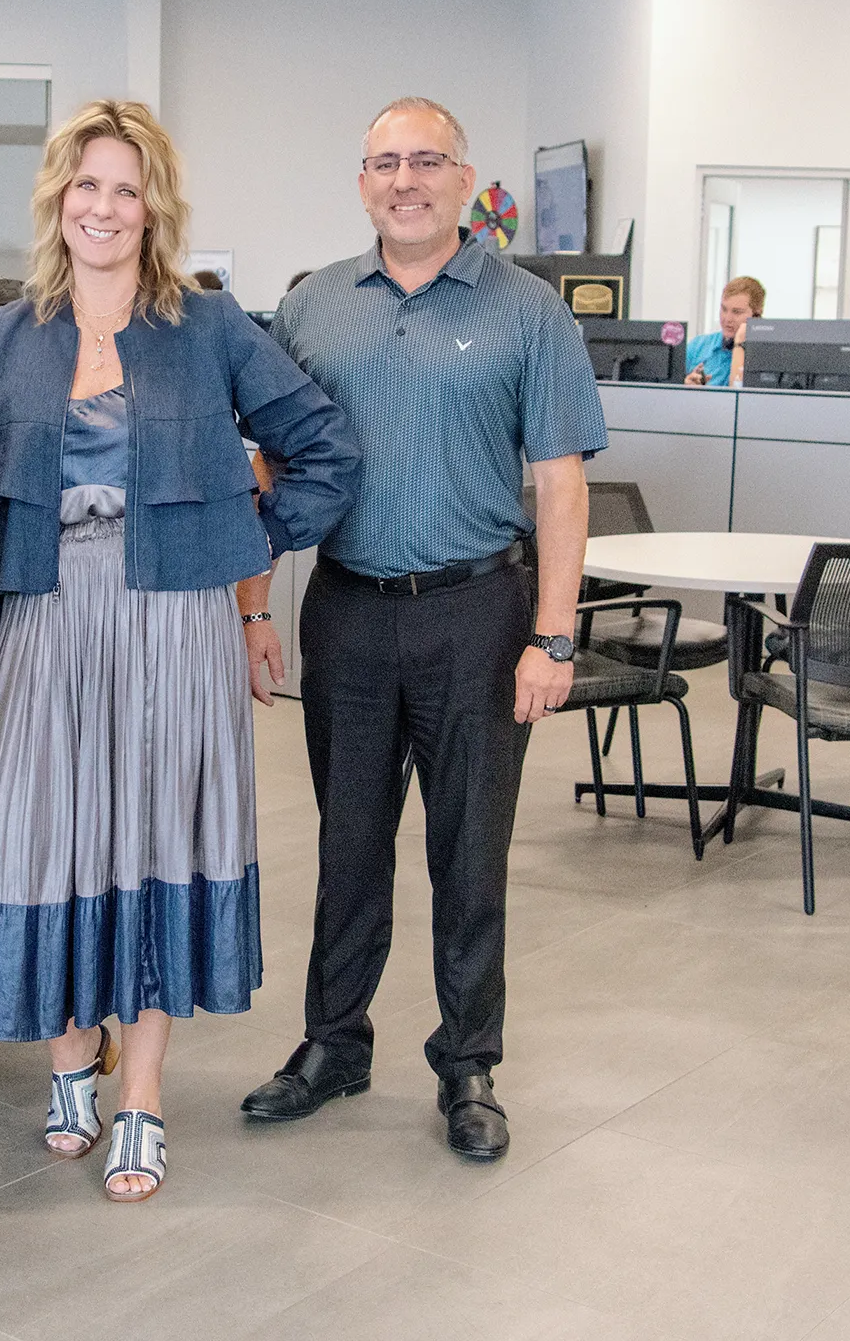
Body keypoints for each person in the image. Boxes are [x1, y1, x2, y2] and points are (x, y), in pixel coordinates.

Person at [0, 99, 359, 1202]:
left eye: (126, 189)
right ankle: (69, 1059)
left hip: (175, 618)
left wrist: (239, 539)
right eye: (87, 185)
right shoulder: (5, 336)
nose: (104, 207)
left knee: (157, 836)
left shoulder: (210, 327)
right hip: (45, 613)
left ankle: (142, 1089)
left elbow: (323, 448)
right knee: (51, 837)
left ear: (154, 207)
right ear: (57, 198)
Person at [239, 96, 607, 1161]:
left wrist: (553, 636)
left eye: (426, 161)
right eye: (385, 163)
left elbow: (561, 484)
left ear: (462, 177)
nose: (406, 179)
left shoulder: (528, 309)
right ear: (363, 181)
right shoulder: (310, 307)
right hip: (346, 608)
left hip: (479, 615)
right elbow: (268, 465)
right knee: (347, 841)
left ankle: (469, 1062)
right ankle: (333, 1041)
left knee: (469, 848)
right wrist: (256, 604)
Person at [684, 275, 765, 386]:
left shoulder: (763, 356)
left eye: (737, 312)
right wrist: (685, 386)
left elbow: (738, 396)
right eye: (724, 309)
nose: (727, 319)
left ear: (756, 315)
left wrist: (740, 343)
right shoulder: (698, 346)